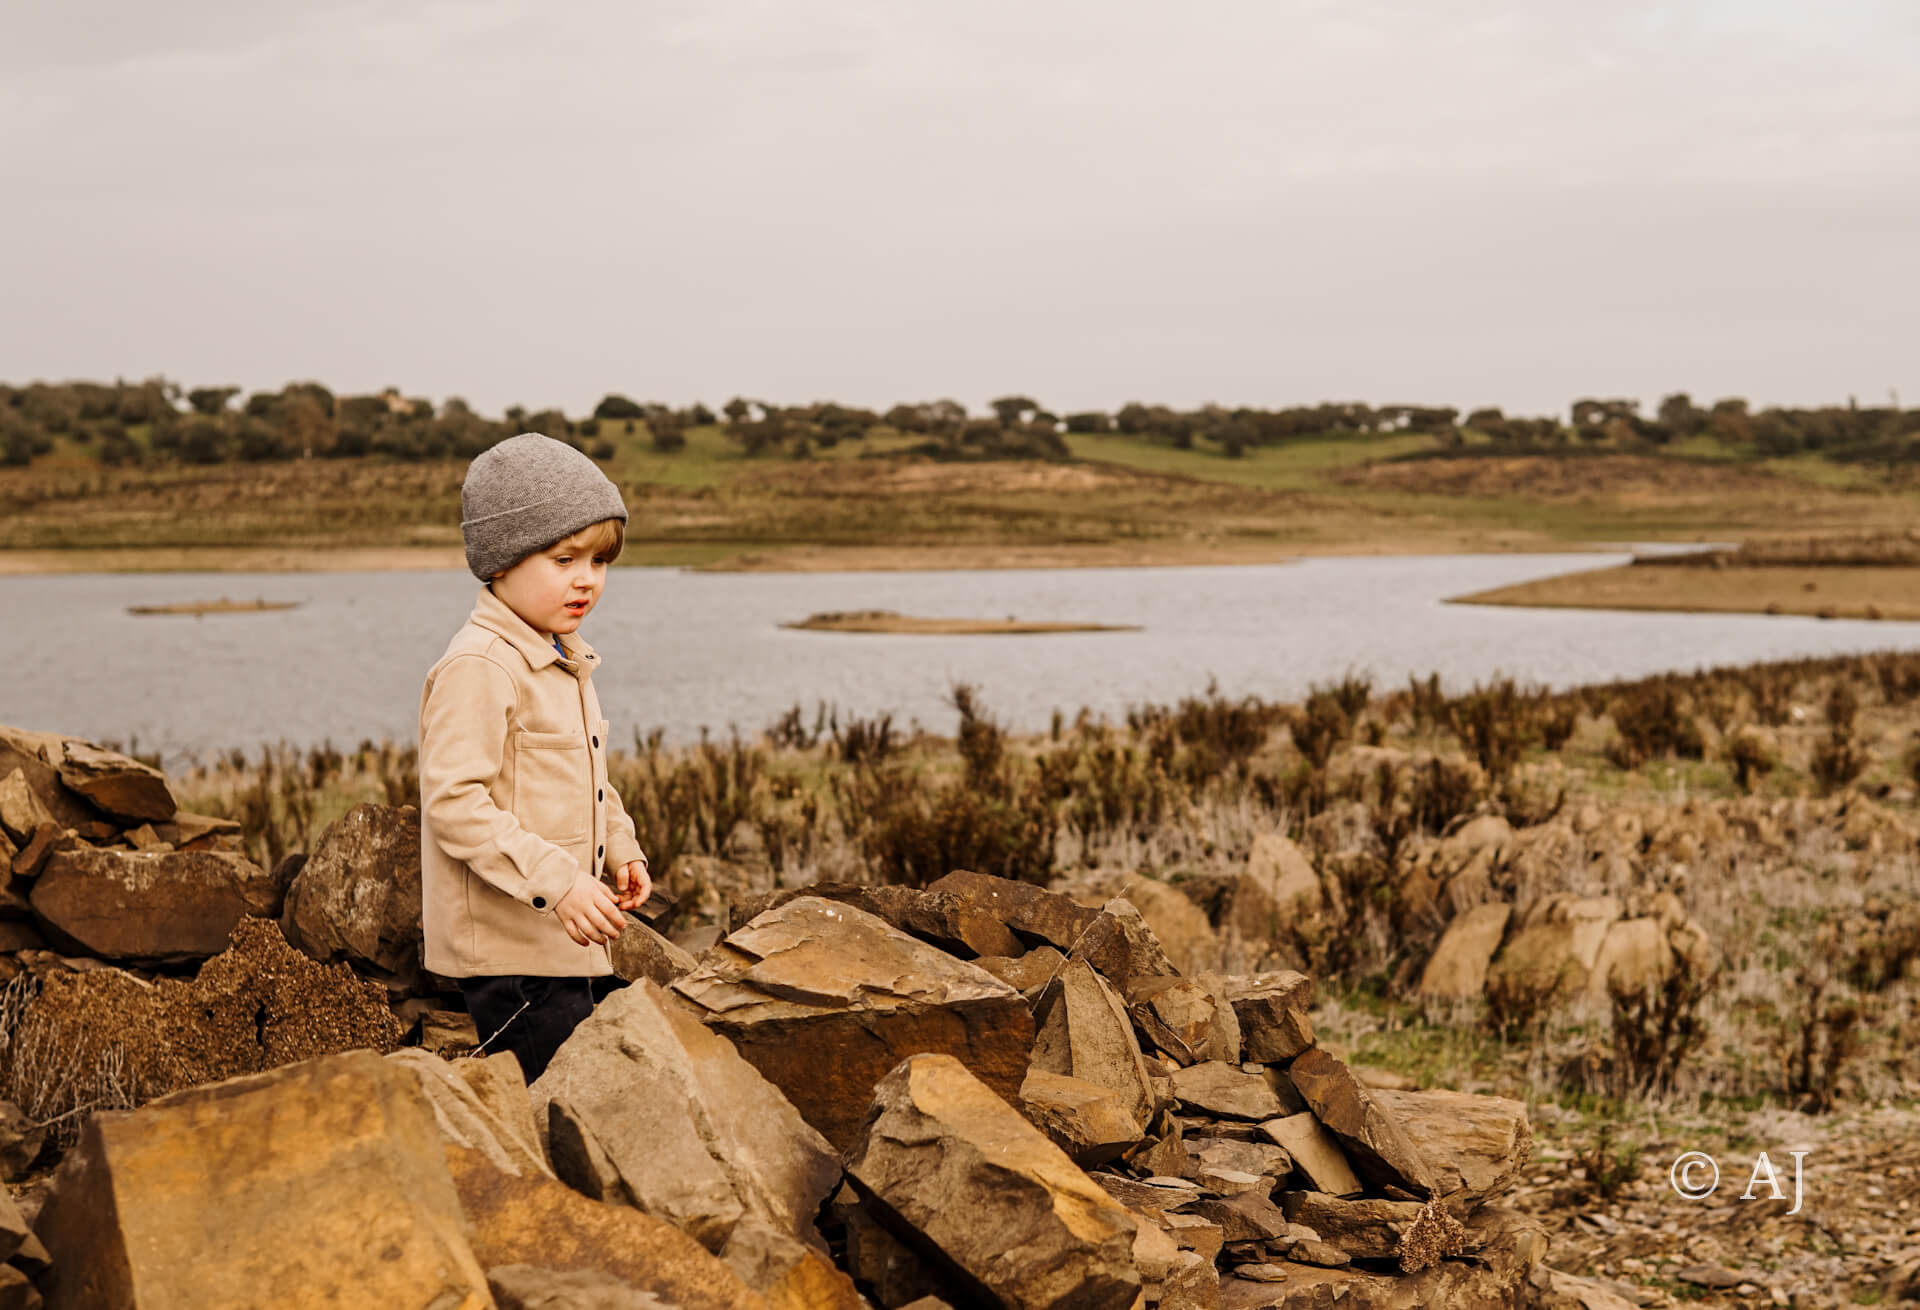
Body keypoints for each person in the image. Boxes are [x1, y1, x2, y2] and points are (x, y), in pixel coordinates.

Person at [416, 432, 651, 1083]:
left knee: (583, 1093)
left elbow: (587, 775)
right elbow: (455, 804)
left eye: (600, 561)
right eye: (563, 558)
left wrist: (618, 843)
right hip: (509, 953)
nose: (587, 579)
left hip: (559, 941)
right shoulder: (480, 665)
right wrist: (563, 881)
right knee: (549, 1101)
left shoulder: (563, 654)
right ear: (501, 562)